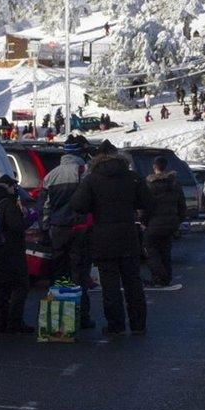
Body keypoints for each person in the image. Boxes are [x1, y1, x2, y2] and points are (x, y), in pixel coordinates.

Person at [71, 141, 150, 335]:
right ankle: (138, 324)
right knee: (133, 282)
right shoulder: (132, 177)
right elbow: (148, 202)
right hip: (128, 235)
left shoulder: (91, 179)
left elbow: (78, 205)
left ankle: (116, 325)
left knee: (110, 284)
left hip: (103, 237)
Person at [41, 153, 94, 329]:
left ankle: (58, 320)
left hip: (57, 228)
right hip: (79, 228)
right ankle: (82, 316)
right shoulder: (83, 172)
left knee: (59, 272)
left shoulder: (51, 175)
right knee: (79, 272)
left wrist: (46, 227)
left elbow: (46, 205)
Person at [0, 171, 33, 334]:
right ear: (8, 187)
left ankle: (2, 323)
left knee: (3, 288)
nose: (15, 188)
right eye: (13, 186)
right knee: (20, 286)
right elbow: (17, 226)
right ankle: (15, 323)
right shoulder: (8, 204)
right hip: (12, 251)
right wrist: (30, 218)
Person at [142, 157, 184, 287]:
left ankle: (160, 275)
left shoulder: (149, 185)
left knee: (151, 251)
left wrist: (143, 221)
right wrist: (177, 220)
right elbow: (182, 206)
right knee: (165, 250)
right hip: (170, 223)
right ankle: (164, 278)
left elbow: (145, 206)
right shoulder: (174, 184)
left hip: (153, 223)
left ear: (154, 167)